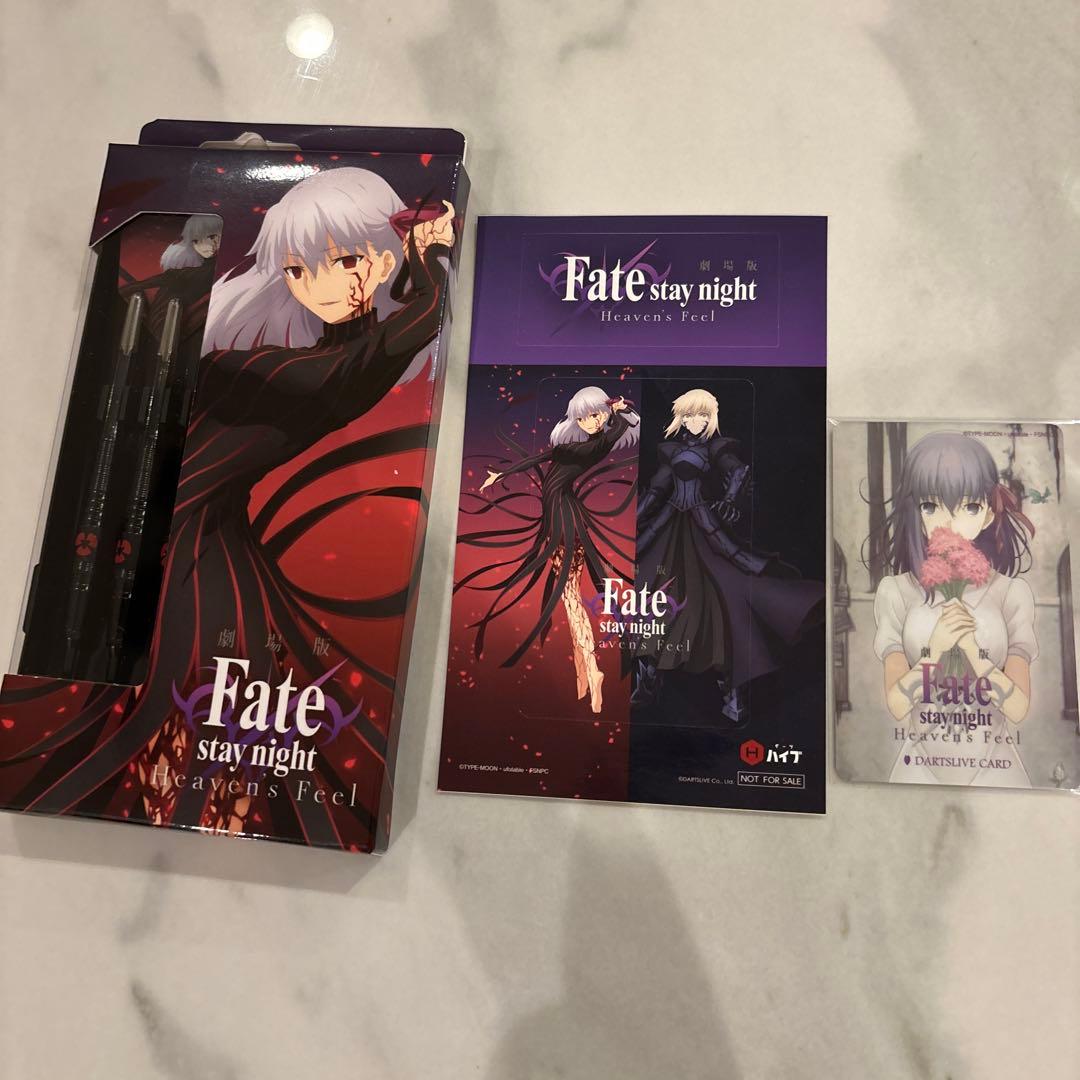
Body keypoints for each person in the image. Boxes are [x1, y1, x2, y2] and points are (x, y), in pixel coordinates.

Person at [456, 387, 640, 713]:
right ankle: (584, 673)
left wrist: (621, 412)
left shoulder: (597, 444)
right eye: (584, 417)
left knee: (570, 598)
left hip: (564, 522)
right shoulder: (578, 445)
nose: (591, 421)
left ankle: (592, 670)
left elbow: (617, 428)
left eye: (596, 415)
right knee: (569, 598)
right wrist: (501, 474)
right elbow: (541, 458)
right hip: (560, 517)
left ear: (605, 415)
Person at [868, 431, 1037, 786]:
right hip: (918, 769)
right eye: (930, 506)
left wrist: (973, 651)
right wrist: (936, 650)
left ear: (988, 514)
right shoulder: (896, 591)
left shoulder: (1011, 593)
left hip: (997, 769)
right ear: (915, 511)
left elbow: (1018, 709)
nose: (948, 522)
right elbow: (897, 706)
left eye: (969, 506)